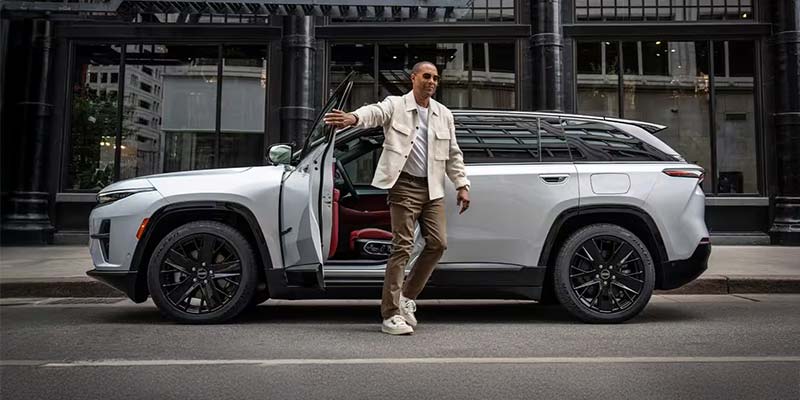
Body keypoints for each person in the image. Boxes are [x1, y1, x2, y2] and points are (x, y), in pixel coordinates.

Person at [324, 61, 471, 335]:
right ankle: (390, 314)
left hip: (434, 188)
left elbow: (453, 153)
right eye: (426, 76)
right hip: (404, 185)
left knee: (438, 244)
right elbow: (375, 113)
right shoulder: (396, 105)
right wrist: (352, 118)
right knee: (402, 246)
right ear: (413, 78)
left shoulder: (444, 114)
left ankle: (406, 297)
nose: (432, 82)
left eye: (436, 78)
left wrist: (462, 185)